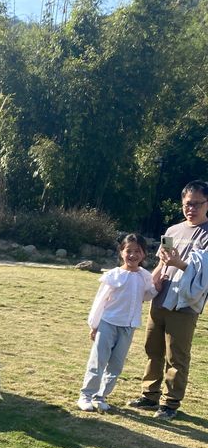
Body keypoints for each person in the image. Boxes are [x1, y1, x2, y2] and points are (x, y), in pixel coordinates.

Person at [129, 180, 208, 420]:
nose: (191, 209)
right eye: (187, 204)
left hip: (184, 304)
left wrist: (178, 263)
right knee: (153, 350)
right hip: (160, 299)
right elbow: (161, 263)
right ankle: (149, 395)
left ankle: (170, 403)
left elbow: (204, 273)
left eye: (196, 204)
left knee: (177, 355)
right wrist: (149, 284)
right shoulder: (173, 231)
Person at [78, 233, 156, 413]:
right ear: (121, 252)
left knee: (116, 365)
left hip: (128, 327)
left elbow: (147, 294)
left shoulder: (145, 276)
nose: (133, 255)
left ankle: (101, 396)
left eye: (138, 251)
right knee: (98, 362)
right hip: (108, 323)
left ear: (144, 254)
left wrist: (159, 282)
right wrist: (94, 325)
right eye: (129, 251)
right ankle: (86, 395)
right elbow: (100, 301)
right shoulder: (113, 275)